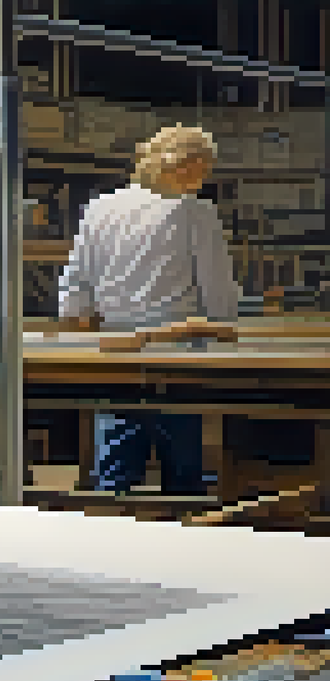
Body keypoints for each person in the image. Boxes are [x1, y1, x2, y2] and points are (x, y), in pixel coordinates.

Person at [58, 124, 240, 495]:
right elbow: (216, 289)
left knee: (114, 468)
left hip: (115, 349)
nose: (205, 178)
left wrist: (80, 333)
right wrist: (226, 332)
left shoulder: (102, 208)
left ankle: (110, 524)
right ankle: (181, 525)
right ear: (187, 165)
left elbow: (76, 284)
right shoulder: (194, 212)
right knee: (182, 467)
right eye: (204, 168)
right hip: (177, 350)